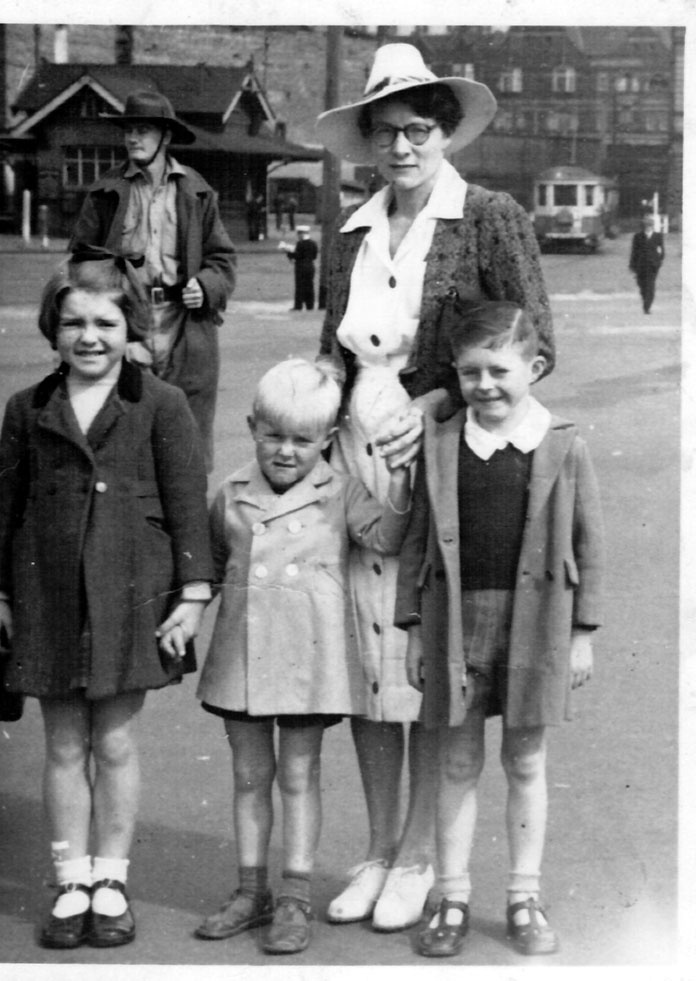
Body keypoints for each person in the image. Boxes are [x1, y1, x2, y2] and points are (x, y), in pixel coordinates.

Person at [315, 42, 554, 932]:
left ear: (446, 131)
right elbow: (333, 351)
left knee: (422, 662)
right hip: (356, 459)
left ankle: (420, 856)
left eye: (418, 128)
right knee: (366, 665)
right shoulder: (350, 231)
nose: (402, 146)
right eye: (385, 132)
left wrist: (436, 401)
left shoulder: (489, 216)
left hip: (445, 464)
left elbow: (538, 344)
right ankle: (379, 849)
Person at [0, 254, 214, 949]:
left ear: (131, 326)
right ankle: (70, 879)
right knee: (62, 743)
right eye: (73, 323)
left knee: (113, 741)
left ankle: (110, 879)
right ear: (52, 330)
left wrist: (193, 593)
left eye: (106, 323)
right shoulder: (27, 408)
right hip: (47, 597)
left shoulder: (160, 403)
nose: (89, 337)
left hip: (132, 593)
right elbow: (3, 510)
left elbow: (187, 502)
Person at [395, 299, 604, 957]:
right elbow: (417, 540)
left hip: (534, 626)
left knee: (526, 760)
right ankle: (451, 895)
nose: (484, 385)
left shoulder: (564, 443)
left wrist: (581, 633)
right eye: (470, 373)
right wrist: (412, 629)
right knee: (457, 760)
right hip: (457, 623)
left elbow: (589, 543)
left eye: (498, 370)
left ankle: (523, 896)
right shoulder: (441, 445)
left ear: (534, 367)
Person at [194, 359, 412, 954]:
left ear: (327, 439)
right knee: (248, 777)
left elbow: (387, 535)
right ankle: (250, 891)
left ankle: (294, 896)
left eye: (303, 439)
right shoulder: (232, 493)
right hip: (241, 660)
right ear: (252, 427)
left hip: (306, 665)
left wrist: (401, 477)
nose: (286, 451)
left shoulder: (341, 491)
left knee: (297, 775)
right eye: (273, 435)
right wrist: (186, 613)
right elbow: (207, 569)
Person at [69, 89, 237, 472]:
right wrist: (109, 310)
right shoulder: (106, 191)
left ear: (166, 136)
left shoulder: (196, 191)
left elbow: (223, 259)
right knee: (124, 440)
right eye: (128, 130)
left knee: (185, 445)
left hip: (184, 329)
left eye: (142, 130)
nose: (132, 138)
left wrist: (206, 285)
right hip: (128, 327)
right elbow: (80, 261)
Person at [629, 213, 664, 314]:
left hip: (653, 266)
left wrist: (658, 262)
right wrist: (632, 265)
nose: (648, 227)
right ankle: (645, 300)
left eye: (650, 225)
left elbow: (662, 251)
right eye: (646, 225)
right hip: (640, 265)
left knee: (650, 287)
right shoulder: (637, 236)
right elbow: (634, 251)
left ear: (652, 226)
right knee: (642, 286)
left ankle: (647, 307)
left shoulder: (658, 236)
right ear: (643, 226)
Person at [287, 225, 319, 311]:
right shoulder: (313, 243)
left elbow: (298, 256)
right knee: (310, 286)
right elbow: (314, 256)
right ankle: (310, 305)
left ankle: (298, 305)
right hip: (310, 266)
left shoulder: (300, 244)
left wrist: (289, 253)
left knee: (300, 286)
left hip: (301, 267)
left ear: (301, 234)